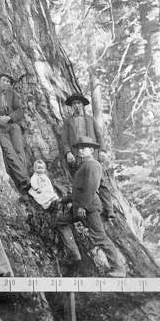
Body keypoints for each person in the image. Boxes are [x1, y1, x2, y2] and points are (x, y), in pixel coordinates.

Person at [56, 137, 127, 277]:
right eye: (79, 148)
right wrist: (64, 200)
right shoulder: (84, 165)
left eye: (85, 148)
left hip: (88, 208)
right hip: (79, 207)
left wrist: (82, 206)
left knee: (100, 237)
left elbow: (91, 188)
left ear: (92, 150)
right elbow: (80, 190)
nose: (80, 151)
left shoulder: (93, 165)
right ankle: (74, 254)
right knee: (61, 221)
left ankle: (119, 268)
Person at [61, 92, 114, 219]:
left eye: (79, 103)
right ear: (71, 106)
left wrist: (102, 150)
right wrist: (68, 152)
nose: (77, 106)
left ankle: (109, 209)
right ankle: (85, 209)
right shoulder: (68, 122)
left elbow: (99, 135)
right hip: (77, 156)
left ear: (83, 105)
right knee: (81, 183)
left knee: (100, 182)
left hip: (92, 155)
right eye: (74, 104)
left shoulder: (90, 119)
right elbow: (64, 140)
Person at [0, 74, 31, 191]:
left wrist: (9, 118)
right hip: (0, 128)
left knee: (20, 151)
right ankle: (25, 180)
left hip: (13, 125)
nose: (6, 83)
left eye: (9, 82)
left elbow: (20, 111)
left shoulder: (12, 95)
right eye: (4, 80)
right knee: (9, 152)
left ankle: (23, 181)